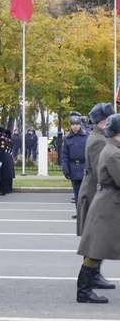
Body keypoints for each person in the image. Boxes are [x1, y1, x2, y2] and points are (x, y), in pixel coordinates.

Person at [76, 113, 120, 304]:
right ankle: (84, 291)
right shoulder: (113, 152)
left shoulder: (112, 147)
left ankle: (84, 290)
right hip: (108, 206)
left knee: (96, 249)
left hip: (108, 203)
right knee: (96, 249)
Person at [62, 112, 88, 219]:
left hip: (84, 167)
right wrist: (65, 169)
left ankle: (86, 212)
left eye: (77, 124)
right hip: (73, 167)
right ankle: (79, 212)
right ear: (70, 125)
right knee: (76, 192)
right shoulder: (67, 138)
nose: (75, 126)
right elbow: (64, 156)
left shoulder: (87, 136)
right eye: (73, 124)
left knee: (85, 192)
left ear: (80, 125)